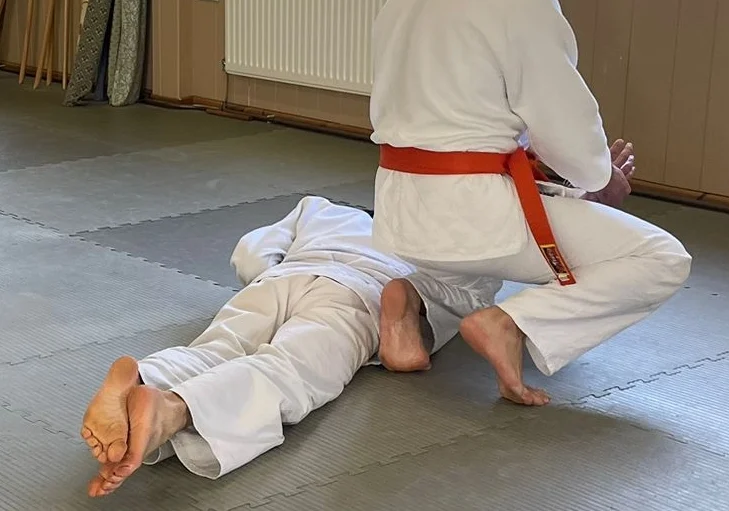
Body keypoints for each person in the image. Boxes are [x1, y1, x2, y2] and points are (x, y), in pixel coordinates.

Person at [368, 0, 693, 407]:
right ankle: (512, 324)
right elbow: (562, 118)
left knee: (472, 280)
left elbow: (458, 116)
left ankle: (413, 301)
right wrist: (599, 179)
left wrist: (561, 171)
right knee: (660, 258)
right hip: (474, 213)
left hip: (399, 212)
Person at [79, 197, 496, 498]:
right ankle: (175, 409)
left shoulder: (322, 209)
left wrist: (267, 274)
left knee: (219, 345)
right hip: (362, 293)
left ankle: (150, 376)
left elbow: (249, 251)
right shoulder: (437, 239)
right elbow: (464, 297)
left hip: (284, 277)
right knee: (289, 369)